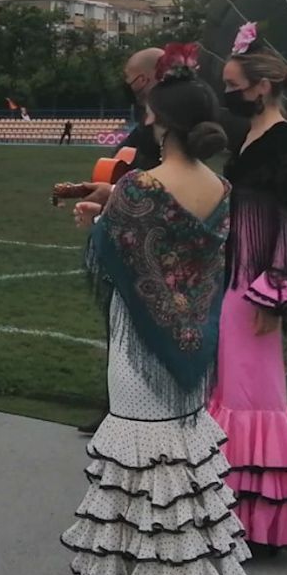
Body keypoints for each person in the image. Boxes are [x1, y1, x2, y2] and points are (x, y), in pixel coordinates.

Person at [61, 43, 259, 575]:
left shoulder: (139, 188)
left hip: (139, 344)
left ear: (160, 119)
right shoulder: (220, 185)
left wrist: (94, 218)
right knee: (184, 464)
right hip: (193, 341)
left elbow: (116, 253)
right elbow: (187, 257)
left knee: (139, 465)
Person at [214, 23, 287, 550]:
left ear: (261, 86)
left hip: (256, 283)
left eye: (234, 87)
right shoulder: (251, 136)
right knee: (232, 389)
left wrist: (274, 289)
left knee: (253, 394)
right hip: (233, 274)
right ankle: (231, 511)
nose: (228, 96)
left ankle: (259, 519)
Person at [75, 47, 169, 437]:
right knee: (121, 324)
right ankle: (119, 405)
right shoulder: (146, 124)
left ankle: (140, 407)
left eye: (129, 76)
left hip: (155, 237)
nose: (126, 84)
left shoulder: (167, 125)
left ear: (144, 79)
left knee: (146, 326)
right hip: (130, 233)